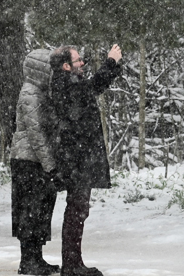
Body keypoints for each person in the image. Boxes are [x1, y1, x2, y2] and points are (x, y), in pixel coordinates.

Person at [50, 44, 122, 276]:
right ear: (65, 66)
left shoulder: (67, 83)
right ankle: (71, 266)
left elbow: (93, 86)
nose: (82, 63)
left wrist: (113, 67)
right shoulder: (65, 84)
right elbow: (93, 87)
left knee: (79, 210)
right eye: (78, 60)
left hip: (79, 156)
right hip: (76, 158)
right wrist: (110, 63)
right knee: (76, 210)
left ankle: (74, 263)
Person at [10, 49, 60, 275]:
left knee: (39, 210)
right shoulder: (31, 94)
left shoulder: (39, 91)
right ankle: (28, 260)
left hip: (33, 161)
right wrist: (50, 164)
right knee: (30, 210)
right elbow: (36, 133)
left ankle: (35, 258)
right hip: (28, 161)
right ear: (40, 68)